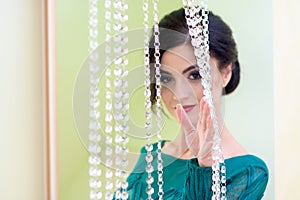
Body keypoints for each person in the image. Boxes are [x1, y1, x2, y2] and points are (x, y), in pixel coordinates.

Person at [124, 8, 269, 199]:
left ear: (226, 73)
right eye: (167, 79)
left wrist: (205, 169)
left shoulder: (246, 173)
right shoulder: (151, 155)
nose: (179, 94)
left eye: (194, 75)